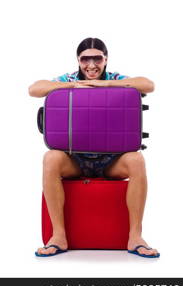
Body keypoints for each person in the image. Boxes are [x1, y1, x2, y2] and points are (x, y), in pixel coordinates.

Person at [29, 37, 160, 258]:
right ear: (78, 61)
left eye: (97, 58)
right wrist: (71, 86)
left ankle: (135, 237)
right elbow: (34, 89)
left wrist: (106, 84)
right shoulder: (69, 78)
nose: (91, 65)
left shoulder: (115, 78)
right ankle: (58, 236)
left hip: (111, 162)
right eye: (85, 59)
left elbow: (149, 85)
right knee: (50, 157)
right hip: (76, 161)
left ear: (105, 59)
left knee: (137, 160)